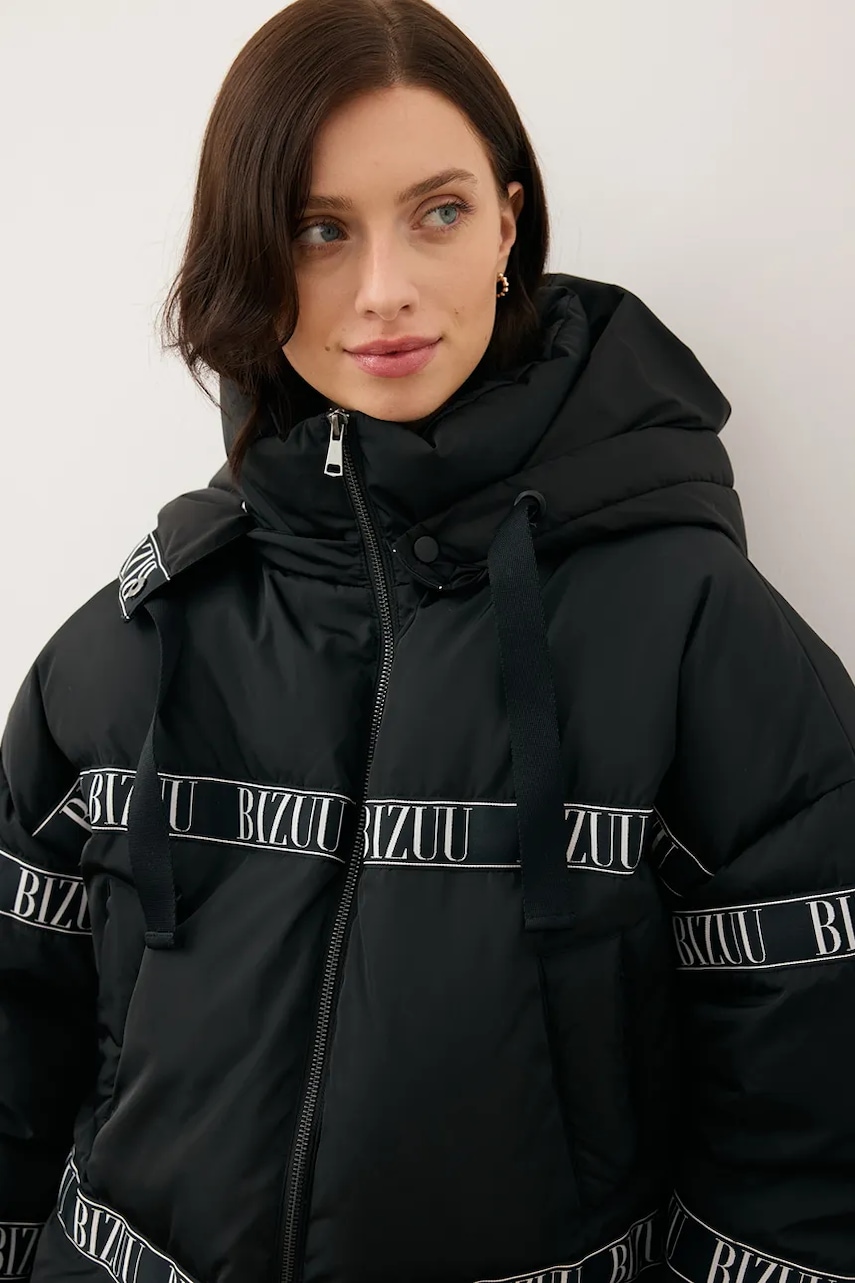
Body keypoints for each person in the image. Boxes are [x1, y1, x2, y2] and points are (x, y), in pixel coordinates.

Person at [2, 0, 853, 1279]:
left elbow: (812, 1110)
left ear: (509, 221)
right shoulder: (140, 633)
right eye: (319, 229)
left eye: (438, 212)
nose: (384, 289)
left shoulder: (688, 622)